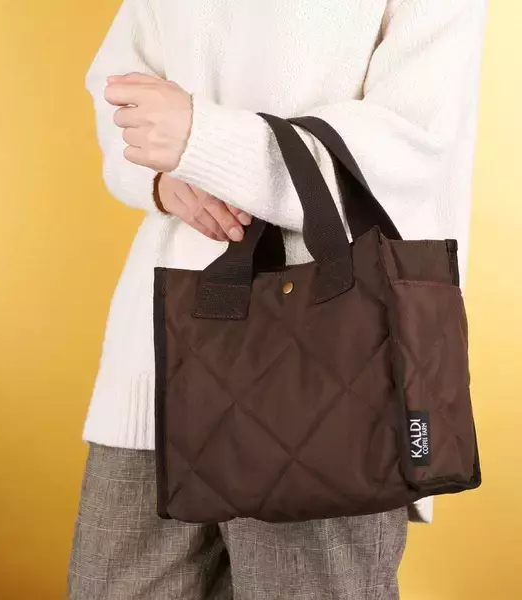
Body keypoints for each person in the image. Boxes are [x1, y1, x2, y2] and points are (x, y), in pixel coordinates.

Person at [68, 1, 486, 598]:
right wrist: (161, 179)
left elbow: (410, 144)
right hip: (158, 361)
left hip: (334, 375)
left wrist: (203, 140)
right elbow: (122, 86)